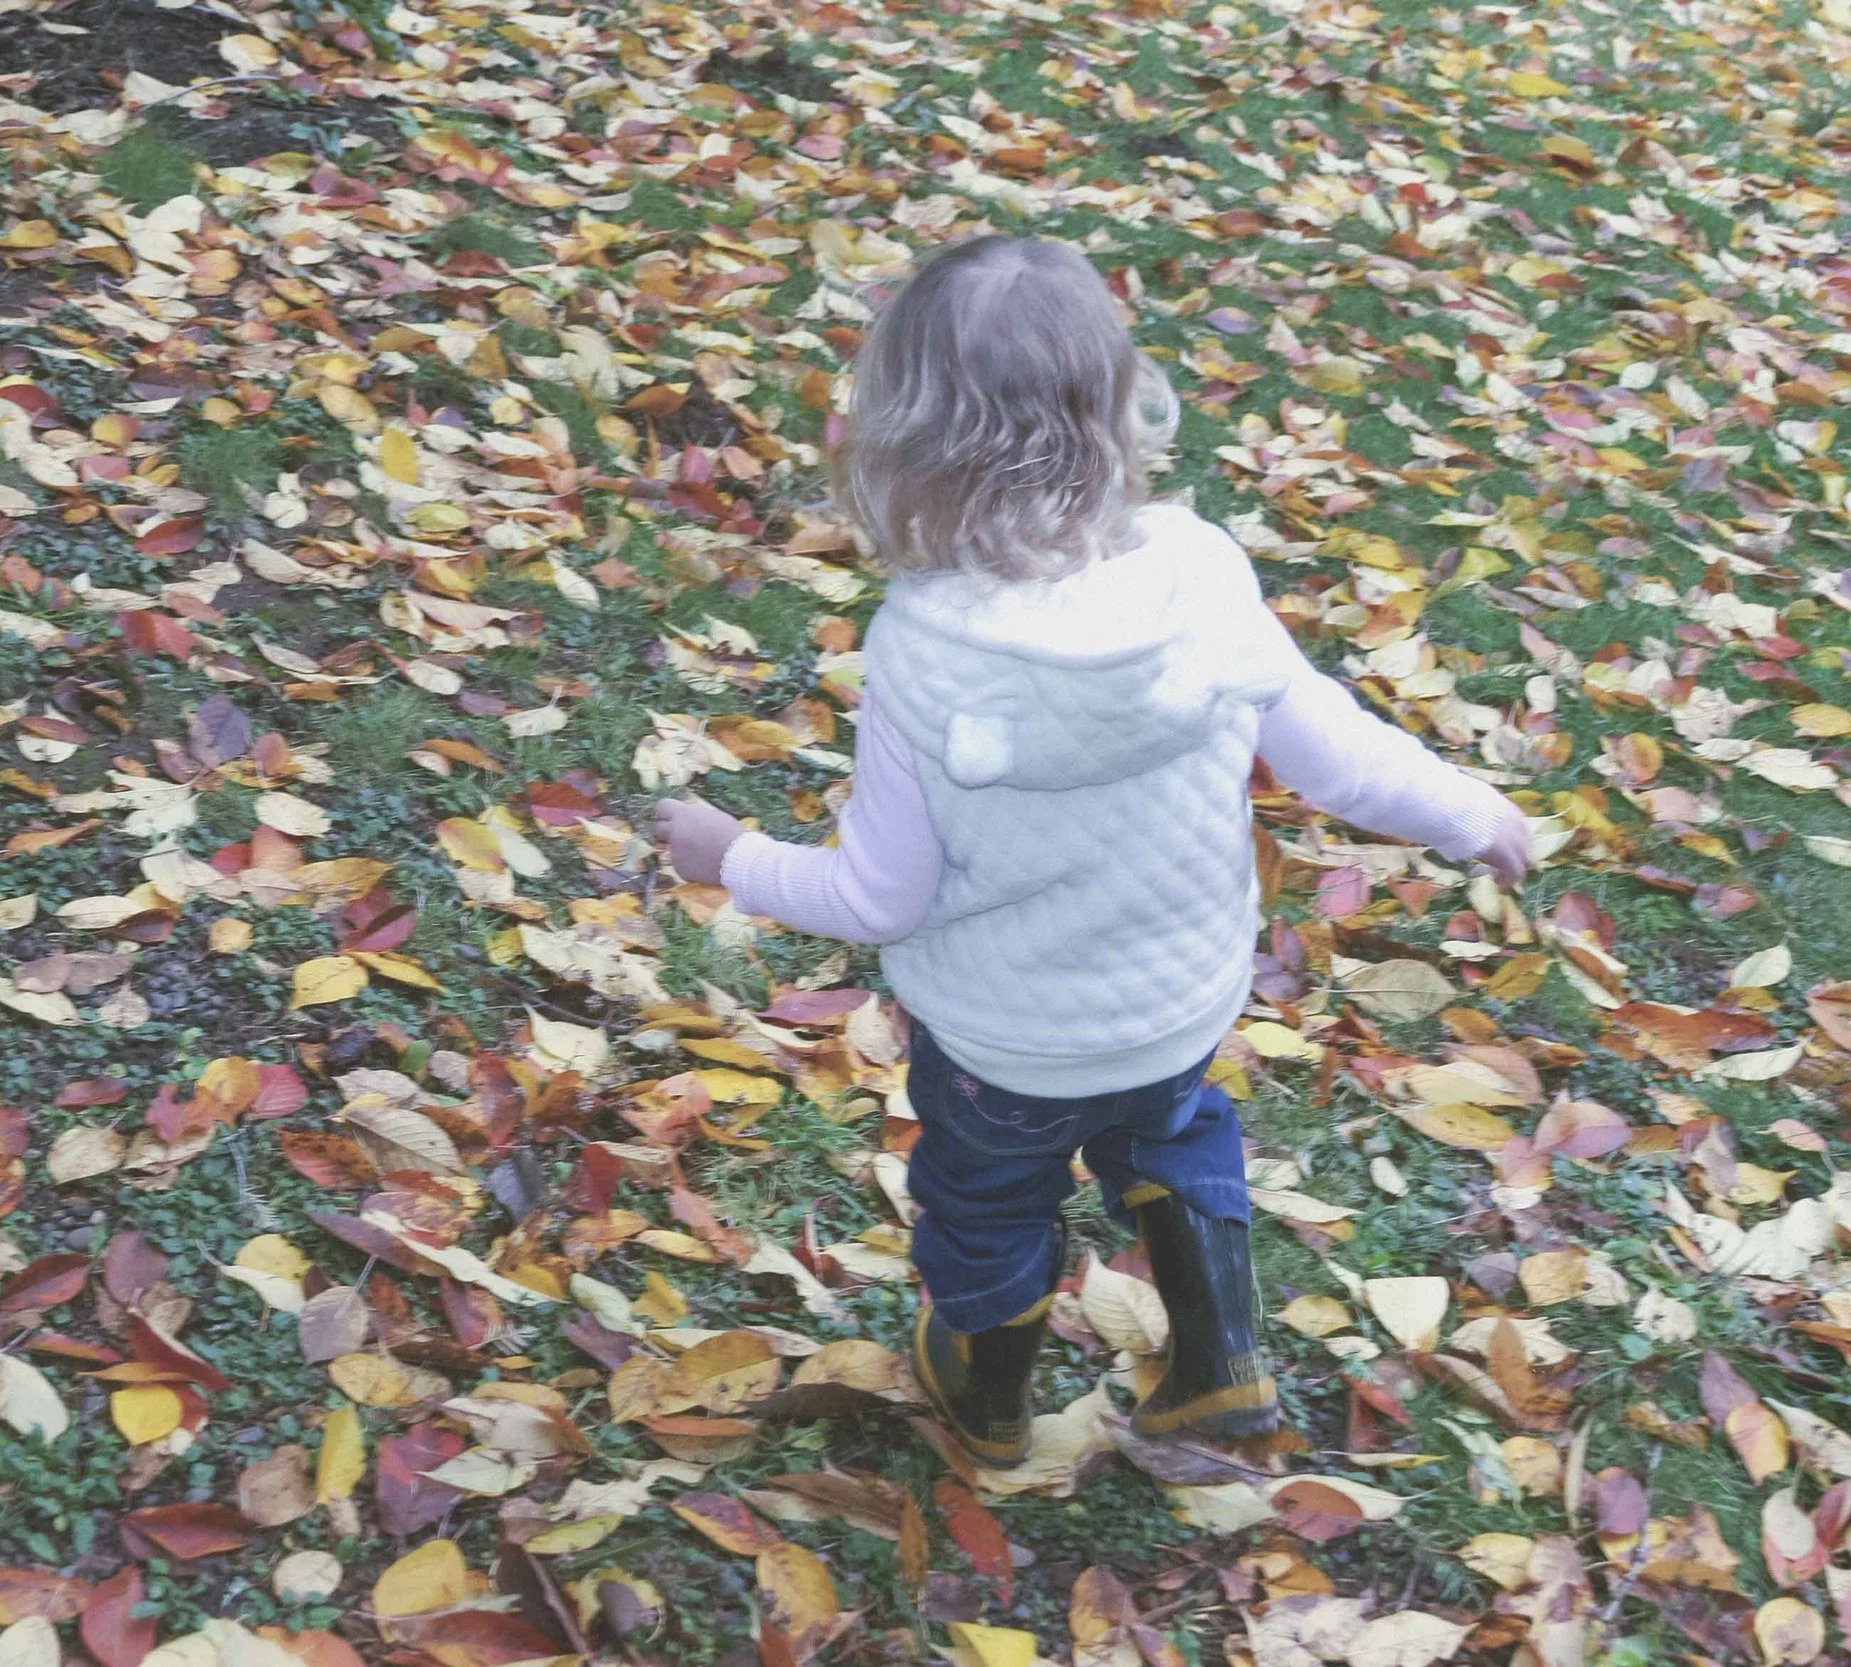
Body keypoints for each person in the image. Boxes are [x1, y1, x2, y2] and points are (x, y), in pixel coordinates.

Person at [653, 236, 1529, 1464]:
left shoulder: (925, 647)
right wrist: (1469, 812)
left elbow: (879, 894)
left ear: (904, 441)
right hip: (1175, 1000)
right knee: (1174, 1138)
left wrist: (729, 853)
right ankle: (1219, 1358)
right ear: (1118, 408)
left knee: (984, 1198)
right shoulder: (1203, 572)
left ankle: (989, 1388)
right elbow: (1331, 753)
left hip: (1003, 1043)